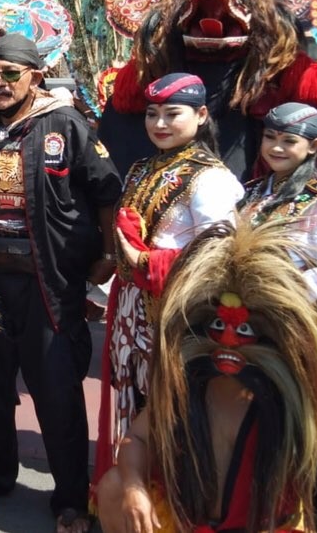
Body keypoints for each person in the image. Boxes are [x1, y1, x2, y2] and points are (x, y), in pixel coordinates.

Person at [96, 221, 317, 532]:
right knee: (113, 486)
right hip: (190, 523)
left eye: (244, 331)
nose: (228, 341)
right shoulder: (185, 390)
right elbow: (136, 438)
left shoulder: (286, 402)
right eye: (217, 328)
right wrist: (134, 489)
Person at [0, 33, 121, 533]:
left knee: (57, 388)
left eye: (10, 74)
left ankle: (70, 496)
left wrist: (108, 253)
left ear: (34, 78)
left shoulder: (65, 125)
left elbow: (106, 190)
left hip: (50, 281)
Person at [98, 73, 242, 485]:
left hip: (177, 313)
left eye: (171, 114)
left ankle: (172, 500)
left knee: (174, 406)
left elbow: (220, 256)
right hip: (134, 313)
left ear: (200, 115)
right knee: (138, 401)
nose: (159, 124)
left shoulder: (209, 178)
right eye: (152, 114)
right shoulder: (144, 167)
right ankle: (136, 493)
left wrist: (150, 263)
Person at [238, 102, 317, 301]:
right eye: (269, 137)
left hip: (283, 306)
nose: (276, 147)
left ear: (313, 146)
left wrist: (283, 290)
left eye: (289, 141)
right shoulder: (251, 190)